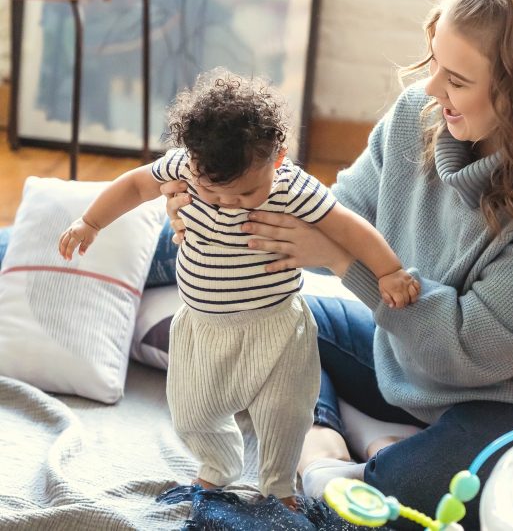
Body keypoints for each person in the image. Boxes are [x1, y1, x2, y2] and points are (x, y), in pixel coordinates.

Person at [161, 0, 513, 528]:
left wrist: (341, 259)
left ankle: (363, 458)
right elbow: (335, 214)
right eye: (435, 64)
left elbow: (471, 352)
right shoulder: (416, 118)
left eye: (457, 80)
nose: (430, 87)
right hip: (423, 369)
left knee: (414, 489)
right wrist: (214, 200)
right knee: (279, 317)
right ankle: (327, 441)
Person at [57, 69, 420, 510]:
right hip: (201, 329)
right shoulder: (185, 168)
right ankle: (219, 465)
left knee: (286, 415)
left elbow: (349, 227)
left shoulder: (291, 187)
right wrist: (90, 221)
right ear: (191, 162)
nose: (228, 202)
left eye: (246, 193)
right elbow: (135, 184)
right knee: (192, 412)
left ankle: (279, 484)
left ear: (279, 158)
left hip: (277, 327)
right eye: (213, 192)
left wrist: (389, 271)